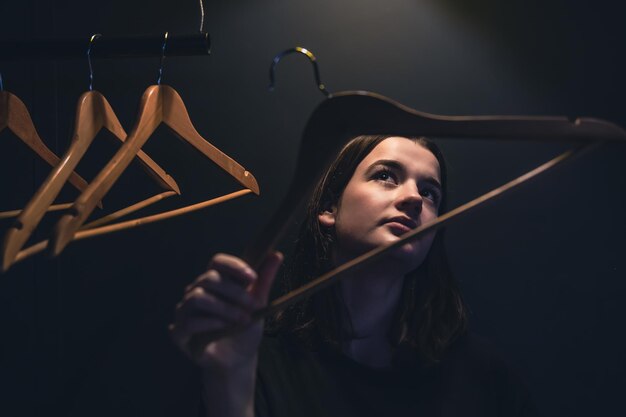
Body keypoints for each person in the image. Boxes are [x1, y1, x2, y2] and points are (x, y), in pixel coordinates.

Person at [170, 135, 537, 417]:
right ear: (329, 207)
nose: (413, 198)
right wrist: (229, 379)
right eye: (386, 177)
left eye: (430, 193)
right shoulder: (253, 358)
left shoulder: (482, 378)